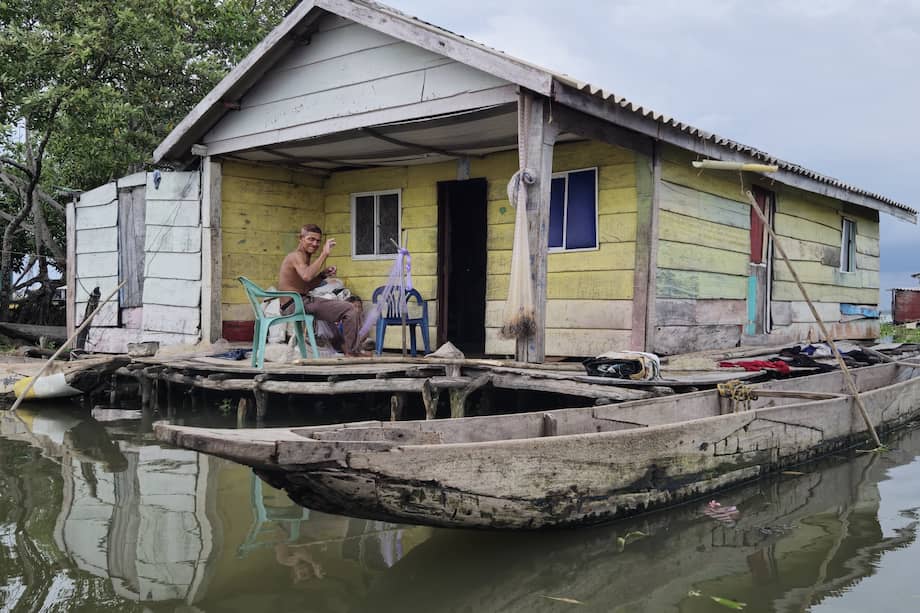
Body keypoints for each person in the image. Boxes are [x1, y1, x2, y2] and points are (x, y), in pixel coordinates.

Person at [278, 224, 366, 357]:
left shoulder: (303, 257)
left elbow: (305, 287)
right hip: (296, 304)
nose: (315, 244)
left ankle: (343, 348)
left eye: (318, 241)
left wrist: (322, 275)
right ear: (300, 238)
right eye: (310, 239)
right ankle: (352, 352)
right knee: (349, 309)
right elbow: (307, 276)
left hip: (297, 302)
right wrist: (324, 254)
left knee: (332, 312)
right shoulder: (296, 256)